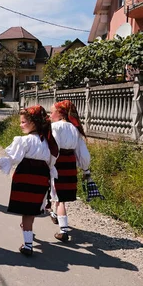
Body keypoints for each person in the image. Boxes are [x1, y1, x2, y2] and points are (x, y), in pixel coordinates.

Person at [0, 106, 58, 257]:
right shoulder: (48, 142)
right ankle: (28, 234)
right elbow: (51, 164)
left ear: (33, 123)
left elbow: (12, 159)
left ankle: (28, 244)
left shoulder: (24, 141)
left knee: (26, 212)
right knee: (31, 211)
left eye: (23, 122)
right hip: (41, 179)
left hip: (25, 178)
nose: (20, 125)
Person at [49, 100, 90, 242]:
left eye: (52, 112)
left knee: (60, 198)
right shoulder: (74, 129)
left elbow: (53, 149)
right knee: (60, 193)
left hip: (58, 162)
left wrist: (48, 164)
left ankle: (63, 230)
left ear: (60, 113)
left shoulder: (55, 127)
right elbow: (82, 152)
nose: (50, 115)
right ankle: (54, 214)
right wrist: (86, 169)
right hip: (70, 163)